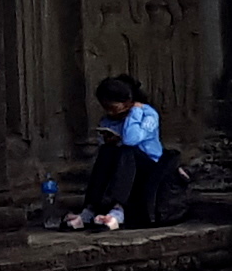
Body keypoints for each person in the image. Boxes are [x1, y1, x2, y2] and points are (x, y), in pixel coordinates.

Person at [68, 74, 170, 229]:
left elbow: (131, 139)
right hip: (122, 167)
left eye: (113, 108)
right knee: (106, 151)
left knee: (126, 151)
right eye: (106, 108)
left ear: (127, 103)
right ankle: (90, 208)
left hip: (148, 164)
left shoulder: (147, 114)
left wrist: (134, 114)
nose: (110, 113)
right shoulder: (109, 119)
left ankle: (118, 209)